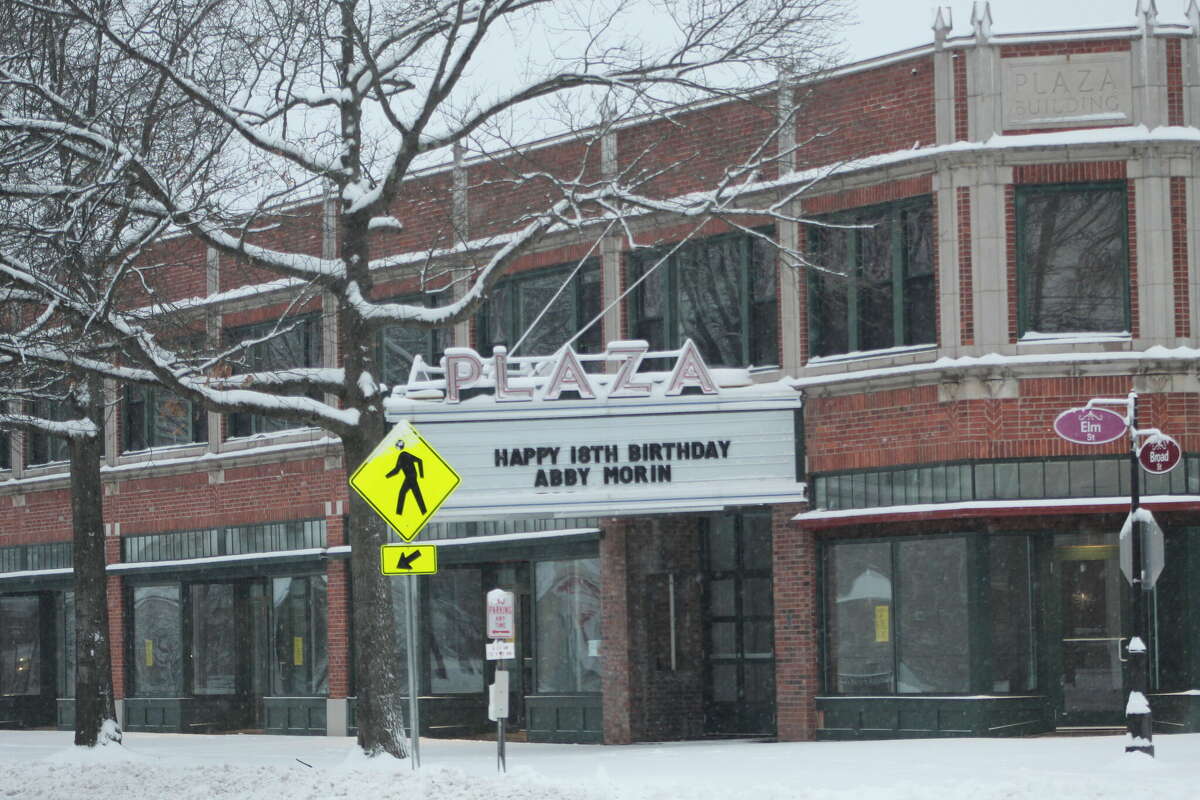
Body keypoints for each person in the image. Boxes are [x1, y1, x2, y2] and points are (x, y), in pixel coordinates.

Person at [385, 439, 426, 515]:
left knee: (404, 494)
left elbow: (396, 470)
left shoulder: (402, 455)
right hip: (412, 477)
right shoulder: (406, 454)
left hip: (410, 478)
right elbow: (420, 461)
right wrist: (420, 475)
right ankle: (423, 511)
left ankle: (399, 513)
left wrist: (386, 476)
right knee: (416, 495)